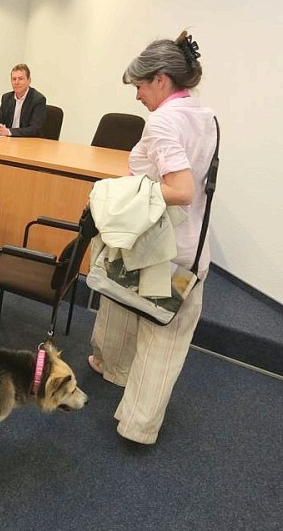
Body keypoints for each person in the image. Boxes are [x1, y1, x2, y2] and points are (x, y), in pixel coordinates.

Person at [87, 31, 217, 445]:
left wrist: (126, 192)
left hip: (159, 246)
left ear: (161, 79)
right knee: (146, 319)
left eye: (140, 86)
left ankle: (136, 421)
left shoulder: (162, 120)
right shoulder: (207, 118)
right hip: (190, 245)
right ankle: (121, 383)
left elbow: (180, 189)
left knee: (155, 330)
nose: (137, 96)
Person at [0, 63, 46, 137]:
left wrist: (8, 132)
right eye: (14, 79)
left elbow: (34, 129)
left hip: (28, 143)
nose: (16, 82)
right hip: (8, 142)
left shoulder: (38, 99)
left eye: (20, 79)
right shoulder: (7, 98)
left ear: (29, 80)